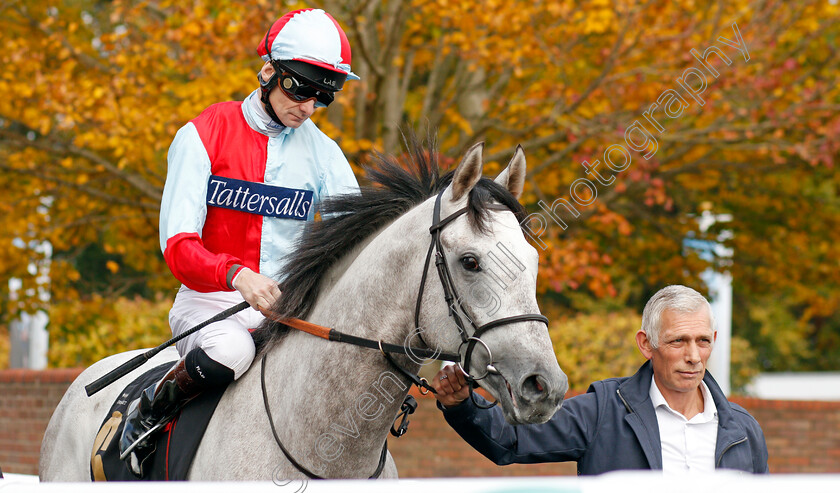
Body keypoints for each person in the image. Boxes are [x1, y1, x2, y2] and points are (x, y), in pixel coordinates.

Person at [119, 8, 360, 476]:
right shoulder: (202, 134)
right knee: (233, 352)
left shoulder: (327, 156)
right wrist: (237, 274)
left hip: (287, 312)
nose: (307, 105)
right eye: (299, 87)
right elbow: (178, 245)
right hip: (208, 305)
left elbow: (353, 244)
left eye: (321, 96)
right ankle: (149, 411)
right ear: (269, 71)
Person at [433, 285, 768, 474]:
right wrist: (462, 405)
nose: (693, 355)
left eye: (703, 341)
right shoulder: (603, 411)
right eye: (678, 341)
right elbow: (511, 440)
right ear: (646, 344)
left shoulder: (743, 430)